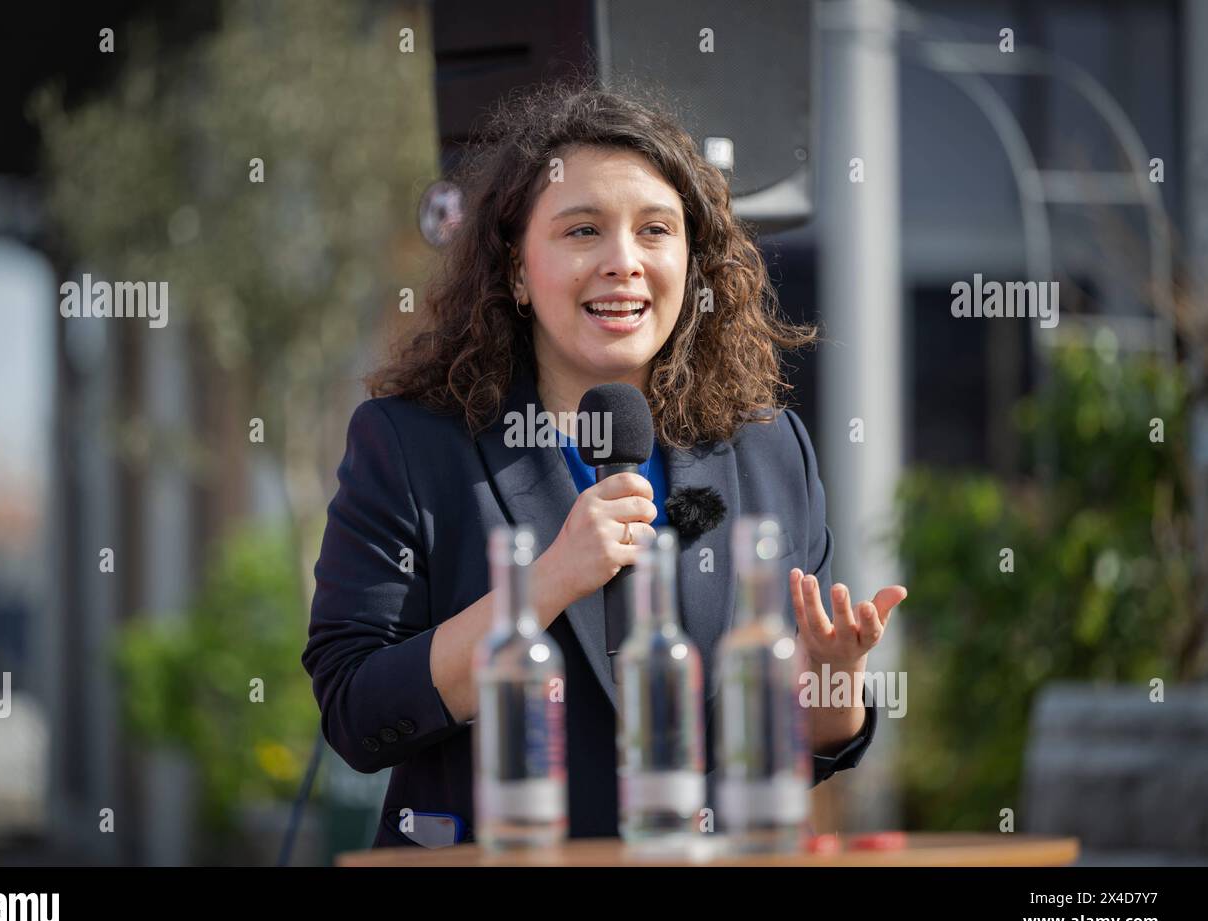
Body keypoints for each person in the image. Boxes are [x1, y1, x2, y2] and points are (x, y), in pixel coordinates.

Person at [303, 81, 908, 849]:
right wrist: (548, 580)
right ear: (517, 271)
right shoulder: (412, 447)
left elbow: (807, 750)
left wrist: (833, 678)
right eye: (582, 230)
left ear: (692, 264)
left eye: (655, 230)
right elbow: (358, 714)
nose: (623, 263)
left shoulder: (768, 449)